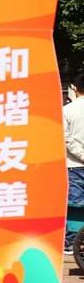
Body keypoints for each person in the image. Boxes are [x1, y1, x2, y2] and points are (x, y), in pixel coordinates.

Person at [64, 73, 84, 254]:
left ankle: (72, 243)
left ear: (74, 88)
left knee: (76, 204)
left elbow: (66, 139)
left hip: (74, 164)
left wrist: (81, 155)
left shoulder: (67, 110)